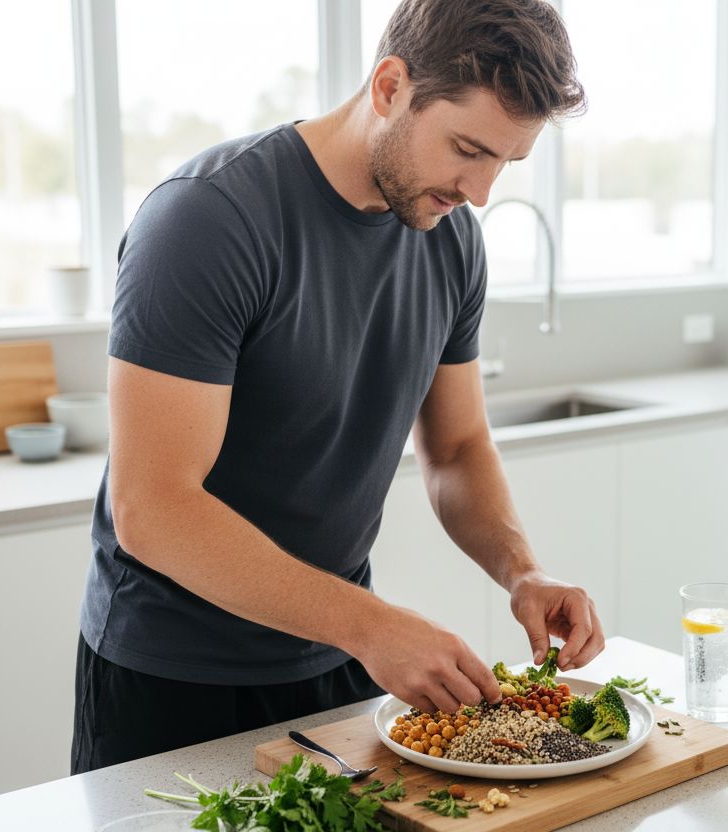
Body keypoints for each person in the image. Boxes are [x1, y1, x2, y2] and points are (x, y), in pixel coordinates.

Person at [71, 0, 602, 774]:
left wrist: (523, 572)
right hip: (172, 677)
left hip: (334, 658)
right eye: (466, 149)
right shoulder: (208, 221)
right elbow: (154, 510)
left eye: (504, 163)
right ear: (390, 86)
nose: (480, 192)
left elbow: (455, 448)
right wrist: (371, 625)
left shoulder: (449, 239)